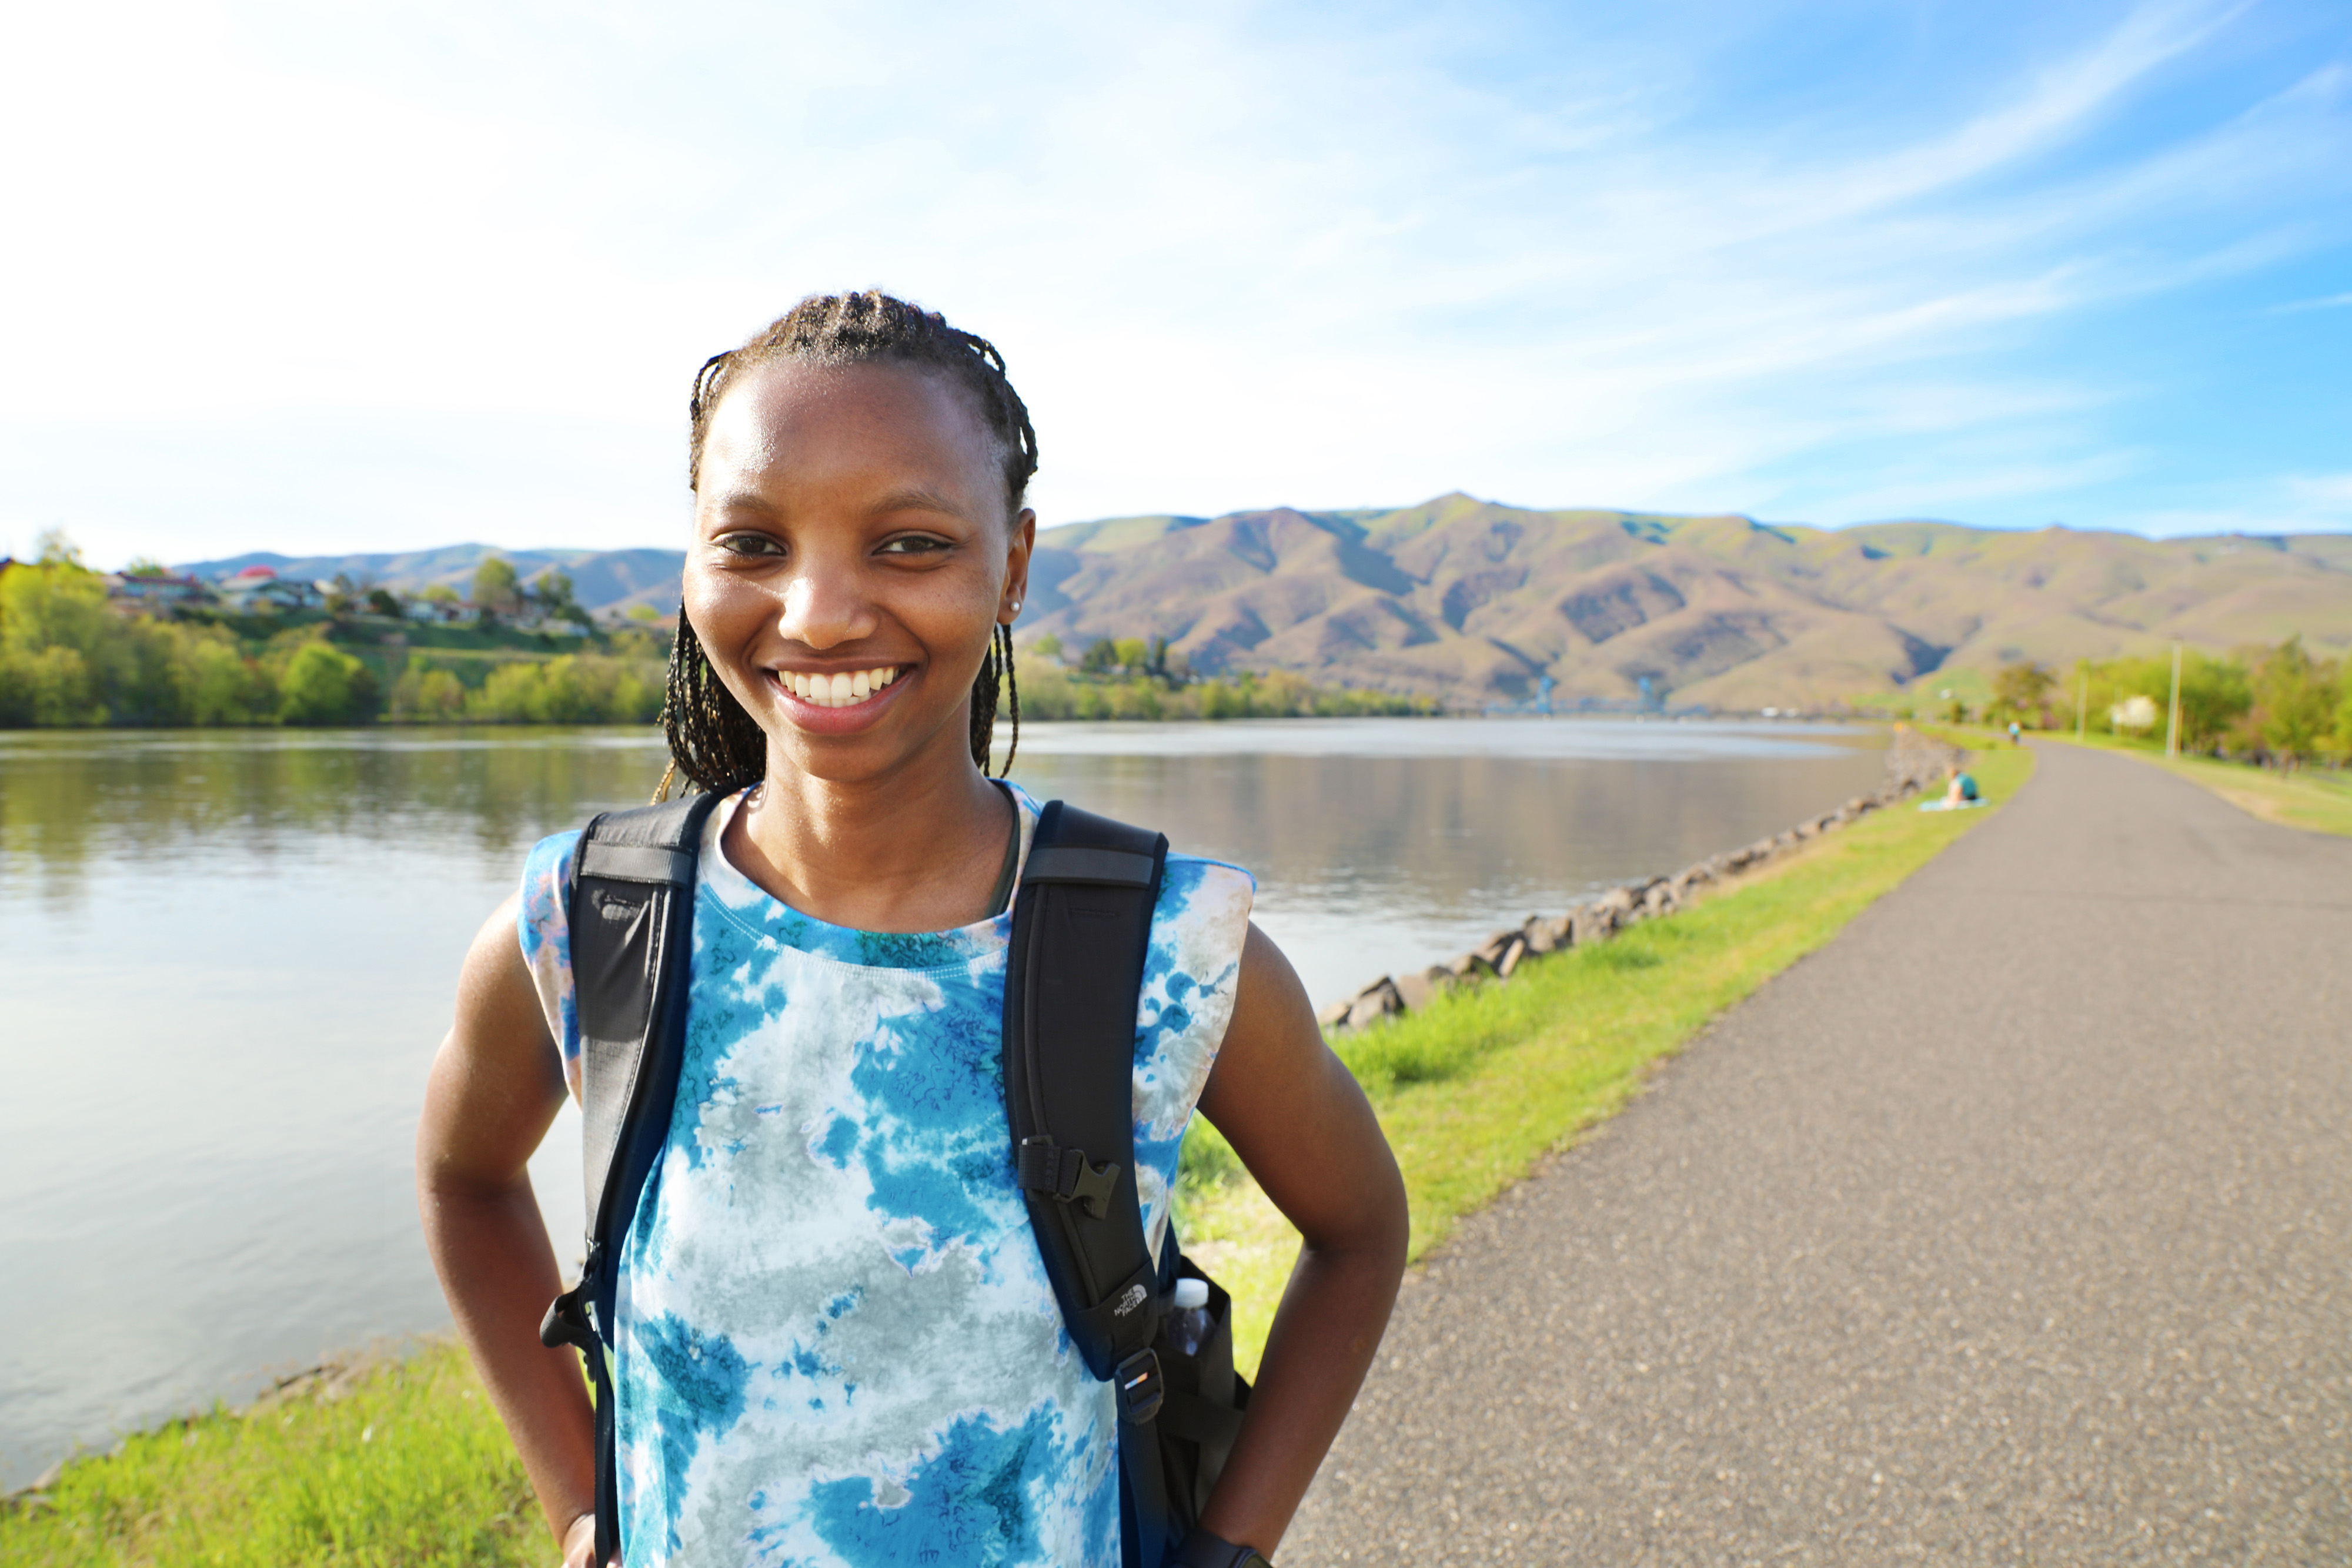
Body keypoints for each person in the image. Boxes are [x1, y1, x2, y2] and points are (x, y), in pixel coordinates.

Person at [416, 291, 1409, 1568]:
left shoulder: (1161, 949)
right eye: (755, 542)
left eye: (908, 544)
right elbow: (462, 1179)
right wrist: (580, 1498)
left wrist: (1233, 1548)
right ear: (693, 562)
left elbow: (1359, 1227)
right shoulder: (587, 923)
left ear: (1011, 567)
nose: (820, 613)